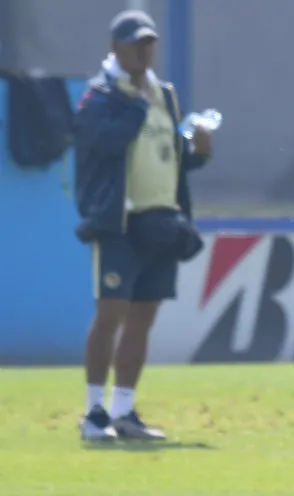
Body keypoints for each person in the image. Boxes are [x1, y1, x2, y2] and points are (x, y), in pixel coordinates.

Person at [73, 9, 212, 442]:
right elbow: (106, 141)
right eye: (136, 43)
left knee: (143, 318)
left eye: (149, 43)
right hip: (118, 222)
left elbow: (173, 159)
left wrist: (200, 149)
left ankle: (124, 412)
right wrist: (135, 104)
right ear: (116, 47)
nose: (144, 50)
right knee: (110, 313)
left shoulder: (165, 96)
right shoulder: (100, 95)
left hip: (161, 221)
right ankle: (94, 412)